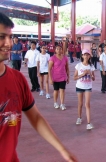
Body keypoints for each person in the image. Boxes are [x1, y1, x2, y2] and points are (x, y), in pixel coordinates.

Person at [0, 12, 77, 162]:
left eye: (10, 37)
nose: (9, 43)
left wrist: (62, 148)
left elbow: (35, 117)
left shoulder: (17, 79)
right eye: (2, 37)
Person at [74, 49, 95, 130]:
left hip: (88, 87)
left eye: (87, 55)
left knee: (87, 104)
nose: (86, 56)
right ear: (82, 56)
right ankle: (79, 117)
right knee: (80, 103)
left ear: (89, 56)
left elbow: (93, 78)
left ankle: (89, 123)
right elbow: (74, 77)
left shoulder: (91, 66)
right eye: (84, 55)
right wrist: (83, 74)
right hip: (79, 86)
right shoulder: (78, 65)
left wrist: (90, 73)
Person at [48, 45, 69, 110]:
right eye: (57, 49)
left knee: (62, 90)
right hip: (55, 77)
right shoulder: (52, 58)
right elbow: (49, 69)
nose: (59, 50)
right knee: (56, 91)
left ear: (62, 50)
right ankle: (55, 102)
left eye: (60, 49)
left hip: (63, 77)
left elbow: (67, 68)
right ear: (55, 50)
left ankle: (62, 104)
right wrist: (50, 79)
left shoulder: (65, 58)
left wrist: (68, 77)